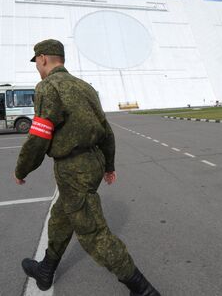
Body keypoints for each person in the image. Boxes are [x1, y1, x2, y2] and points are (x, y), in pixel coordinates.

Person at [13, 39, 160, 296]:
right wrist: (109, 165)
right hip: (92, 162)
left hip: (73, 169)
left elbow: (39, 136)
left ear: (44, 58)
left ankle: (142, 289)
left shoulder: (48, 87)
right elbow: (106, 131)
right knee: (61, 215)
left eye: (36, 60)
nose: (36, 65)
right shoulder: (85, 88)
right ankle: (46, 269)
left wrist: (22, 169)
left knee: (93, 232)